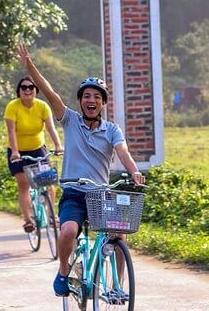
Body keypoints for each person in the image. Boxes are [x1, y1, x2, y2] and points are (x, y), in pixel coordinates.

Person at [16, 43, 145, 297]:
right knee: (68, 231)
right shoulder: (70, 120)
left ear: (103, 103)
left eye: (97, 97)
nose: (91, 100)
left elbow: (123, 152)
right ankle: (63, 271)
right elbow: (50, 93)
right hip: (74, 192)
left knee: (119, 232)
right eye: (87, 96)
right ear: (80, 101)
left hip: (100, 195)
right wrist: (30, 66)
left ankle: (117, 286)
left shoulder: (112, 130)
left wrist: (134, 171)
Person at [6, 76, 63, 232]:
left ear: (36, 91)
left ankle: (52, 216)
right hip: (17, 150)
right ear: (19, 91)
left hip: (38, 148)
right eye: (23, 87)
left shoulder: (42, 106)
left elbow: (51, 128)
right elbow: (11, 131)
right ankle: (28, 219)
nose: (27, 90)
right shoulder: (13, 106)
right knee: (24, 185)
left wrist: (58, 145)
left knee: (49, 182)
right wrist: (15, 151)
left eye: (31, 87)